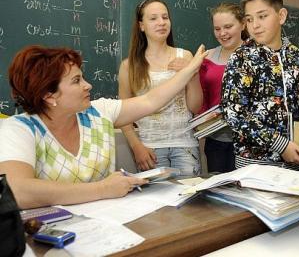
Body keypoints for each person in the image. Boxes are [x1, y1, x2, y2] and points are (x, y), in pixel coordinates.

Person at [0, 44, 207, 209]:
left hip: (109, 225)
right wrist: (102, 189)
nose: (88, 85)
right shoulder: (18, 129)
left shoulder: (99, 111)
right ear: (48, 95)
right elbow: (17, 191)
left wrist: (190, 69)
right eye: (76, 81)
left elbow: (151, 101)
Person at [221, 0, 299, 171]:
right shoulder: (241, 58)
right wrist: (280, 145)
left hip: (297, 164)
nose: (255, 25)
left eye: (262, 16)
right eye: (249, 19)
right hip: (254, 166)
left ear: (281, 16)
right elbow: (233, 112)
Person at [119, 0, 202, 176]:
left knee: (190, 200)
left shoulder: (185, 55)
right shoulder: (129, 66)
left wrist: (192, 73)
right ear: (141, 25)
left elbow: (195, 107)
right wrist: (136, 147)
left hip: (185, 144)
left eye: (165, 17)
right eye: (153, 18)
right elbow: (123, 114)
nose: (161, 23)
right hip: (150, 148)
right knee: (158, 202)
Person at [199, 2, 247, 173]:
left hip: (248, 140)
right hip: (216, 139)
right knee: (217, 190)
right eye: (217, 29)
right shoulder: (208, 57)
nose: (223, 33)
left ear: (243, 24)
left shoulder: (256, 57)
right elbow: (202, 96)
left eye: (228, 26)